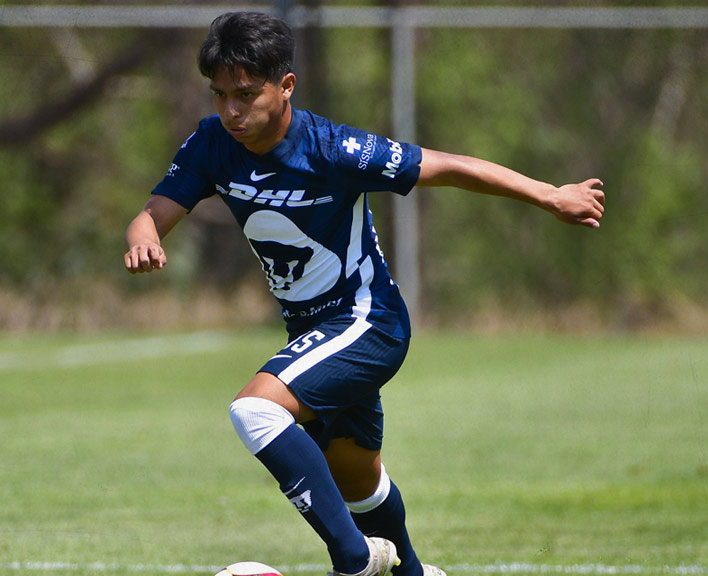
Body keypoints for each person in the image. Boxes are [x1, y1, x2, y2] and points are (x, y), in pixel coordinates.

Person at [125, 11, 604, 576]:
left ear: (286, 86)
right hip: (312, 333)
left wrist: (549, 194)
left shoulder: (333, 149)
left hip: (366, 321)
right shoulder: (212, 145)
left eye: (246, 94)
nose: (231, 110)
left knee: (255, 411)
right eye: (220, 95)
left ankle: (354, 561)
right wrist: (144, 238)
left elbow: (448, 166)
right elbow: (152, 214)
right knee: (357, 479)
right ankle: (413, 572)